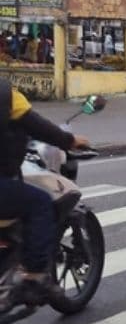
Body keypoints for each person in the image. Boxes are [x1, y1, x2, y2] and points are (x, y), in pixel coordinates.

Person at [0, 79, 89, 308]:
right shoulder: (7, 93)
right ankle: (34, 276)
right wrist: (69, 141)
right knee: (40, 203)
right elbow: (35, 125)